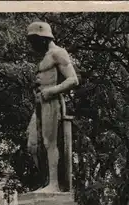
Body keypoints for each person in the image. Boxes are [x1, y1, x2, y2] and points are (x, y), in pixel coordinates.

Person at [26, 22, 79, 193]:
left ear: (43, 38)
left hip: (52, 101)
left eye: (33, 40)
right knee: (32, 144)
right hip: (39, 104)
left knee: (49, 143)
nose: (32, 44)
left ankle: (54, 184)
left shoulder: (58, 53)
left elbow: (73, 79)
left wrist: (52, 90)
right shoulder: (43, 57)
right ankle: (45, 181)